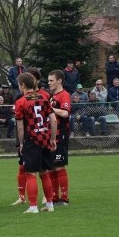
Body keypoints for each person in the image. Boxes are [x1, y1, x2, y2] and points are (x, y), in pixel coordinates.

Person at [14, 73, 57, 213]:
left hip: (32, 140)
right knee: (44, 172)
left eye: (20, 85)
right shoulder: (44, 97)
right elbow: (53, 120)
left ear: (24, 86)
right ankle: (50, 204)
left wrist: (21, 144)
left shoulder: (21, 102)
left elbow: (20, 127)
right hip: (45, 138)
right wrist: (52, 139)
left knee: (30, 173)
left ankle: (33, 206)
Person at [48, 69, 71, 205]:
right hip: (51, 135)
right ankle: (54, 197)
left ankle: (64, 198)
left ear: (59, 81)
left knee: (59, 166)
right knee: (51, 167)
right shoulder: (52, 97)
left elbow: (65, 113)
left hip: (60, 135)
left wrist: (50, 109)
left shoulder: (64, 95)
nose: (49, 83)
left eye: (51, 80)